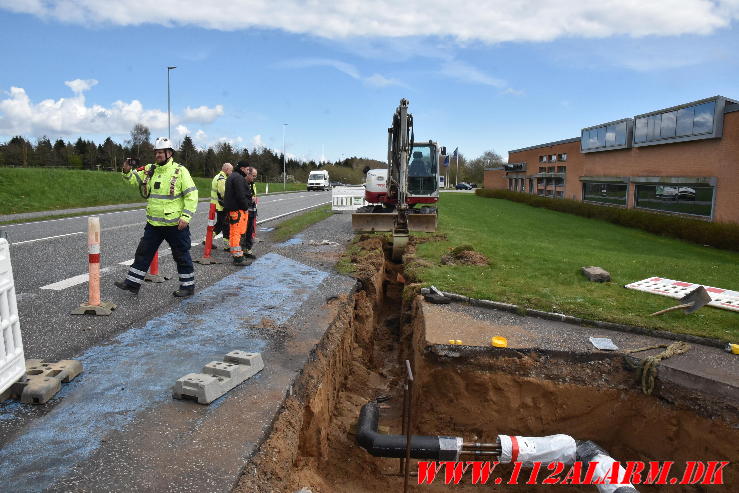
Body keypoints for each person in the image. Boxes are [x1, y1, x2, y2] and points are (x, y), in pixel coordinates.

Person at [114, 137, 199, 297]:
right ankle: (132, 283)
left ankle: (188, 286)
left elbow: (191, 195)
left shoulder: (180, 171)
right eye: (156, 152)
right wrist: (126, 170)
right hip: (154, 223)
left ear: (169, 153)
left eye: (161, 152)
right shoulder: (149, 169)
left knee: (181, 255)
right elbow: (132, 180)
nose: (158, 155)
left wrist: (186, 217)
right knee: (143, 252)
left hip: (175, 224)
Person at [223, 161, 251, 265]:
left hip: (232, 210)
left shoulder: (232, 176)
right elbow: (240, 195)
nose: (248, 172)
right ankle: (238, 258)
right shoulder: (238, 178)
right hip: (237, 210)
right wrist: (245, 207)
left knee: (233, 232)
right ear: (243, 168)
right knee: (236, 233)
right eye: (247, 169)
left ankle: (237, 254)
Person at [210, 162, 233, 250]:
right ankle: (226, 244)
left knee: (222, 224)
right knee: (223, 224)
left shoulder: (218, 176)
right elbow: (224, 194)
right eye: (231, 170)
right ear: (227, 170)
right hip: (221, 205)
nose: (231, 172)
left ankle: (209, 239)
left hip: (216, 204)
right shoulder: (222, 178)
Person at [241, 166, 258, 260]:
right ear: (248, 174)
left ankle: (248, 249)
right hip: (244, 211)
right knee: (242, 232)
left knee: (249, 231)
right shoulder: (242, 183)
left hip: (252, 211)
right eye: (253, 176)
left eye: (255, 176)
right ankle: (241, 250)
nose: (254, 178)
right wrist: (249, 199)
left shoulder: (252, 184)